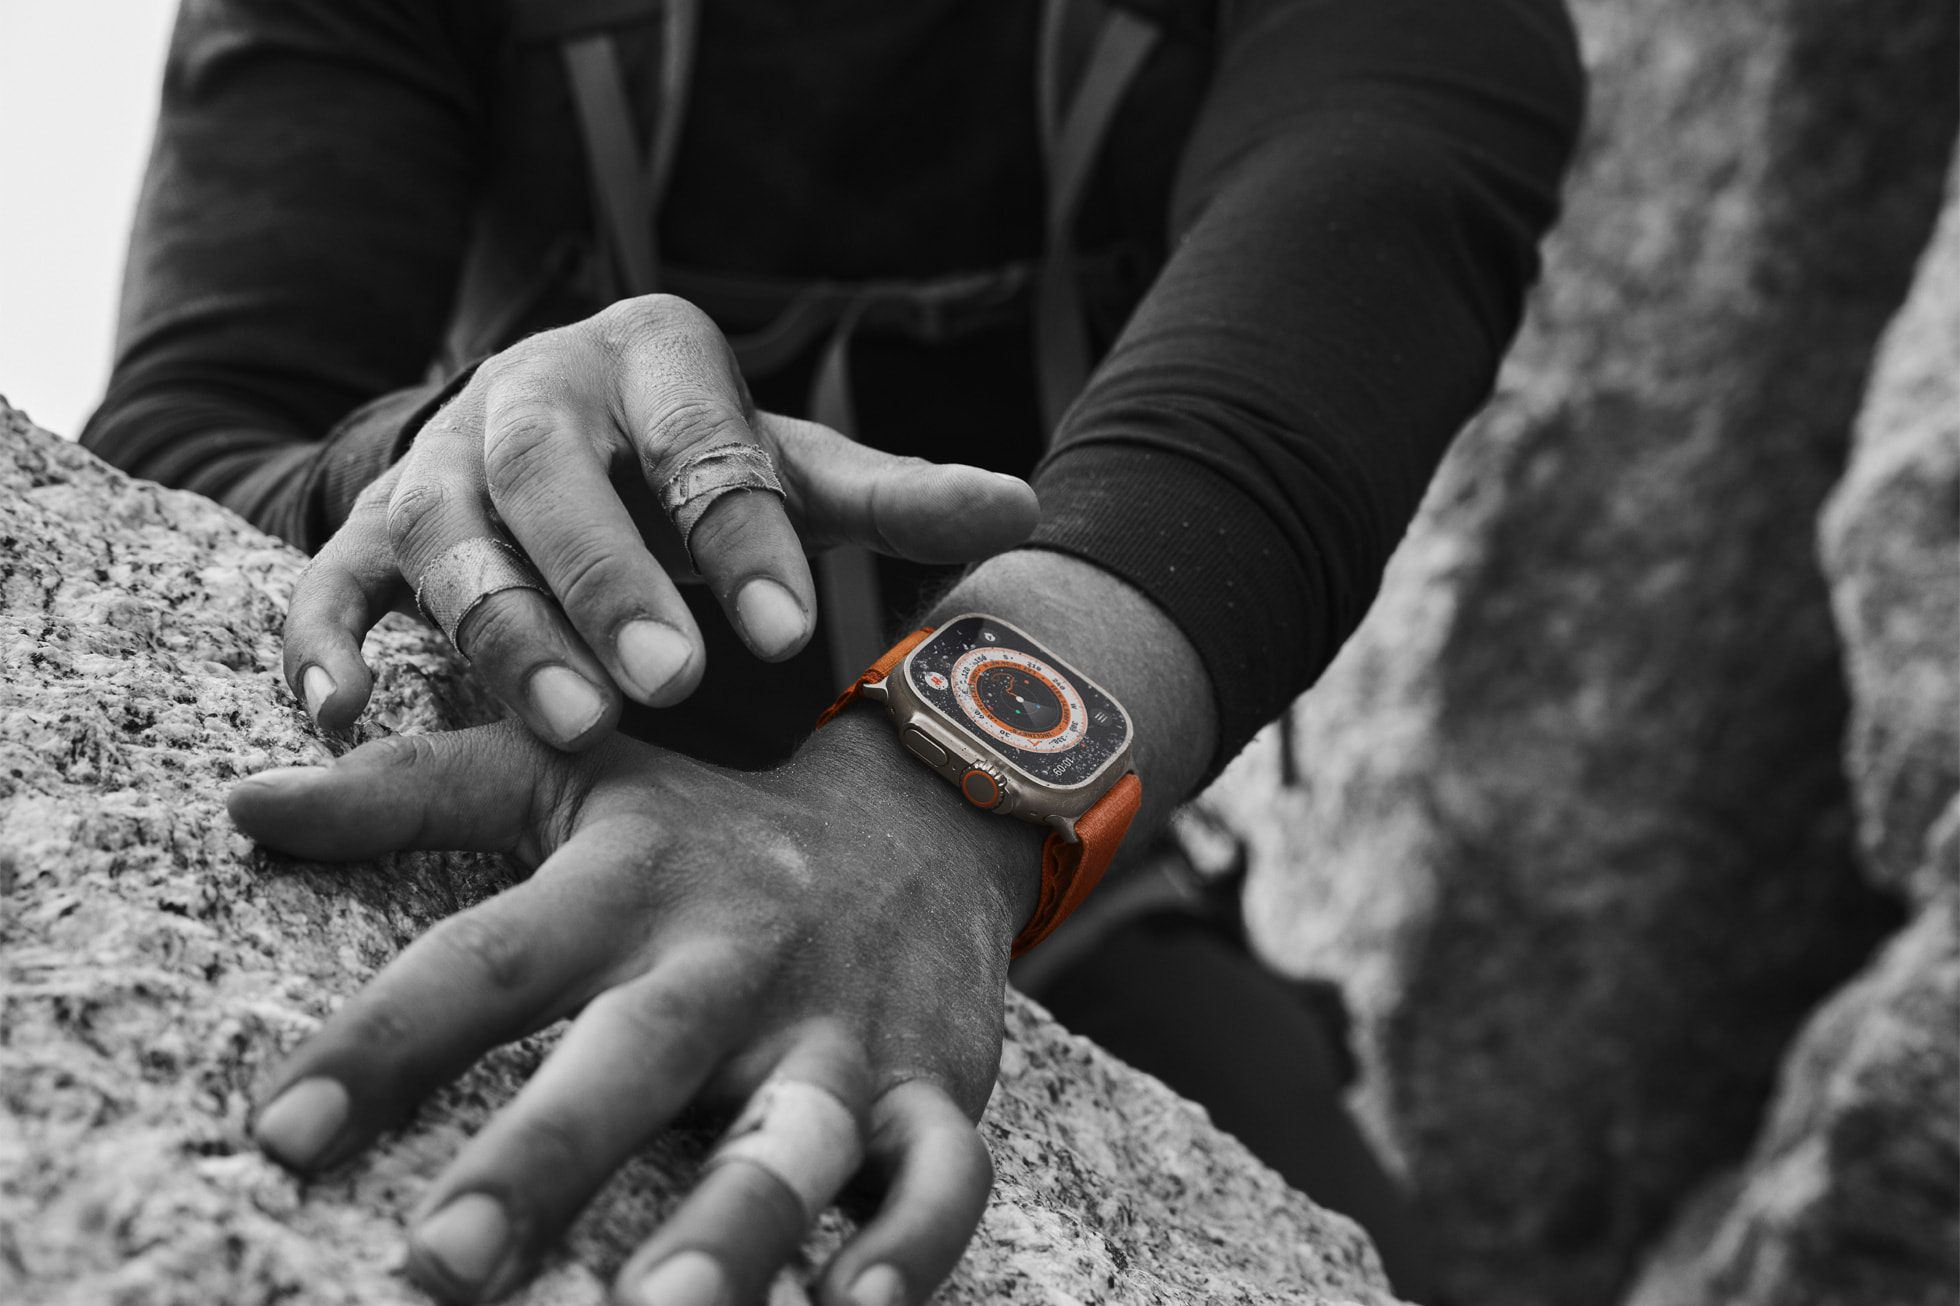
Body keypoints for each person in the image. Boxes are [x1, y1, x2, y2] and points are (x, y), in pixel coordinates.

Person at [83, 1, 1585, 1302]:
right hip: (549, 787)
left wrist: (928, 801)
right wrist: (443, 456)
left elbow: (1371, 221)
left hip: (1072, 904)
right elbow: (181, 439)